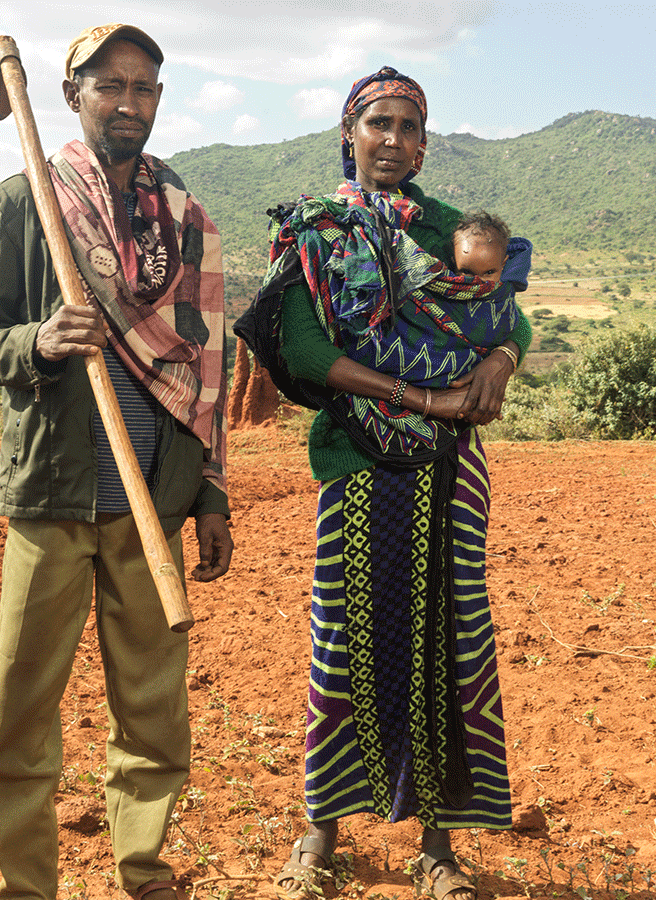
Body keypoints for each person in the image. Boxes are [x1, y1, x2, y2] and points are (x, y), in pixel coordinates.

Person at [235, 67, 531, 900]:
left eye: (408, 126)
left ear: (425, 144)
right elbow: (300, 350)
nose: (393, 139)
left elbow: (512, 311)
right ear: (349, 134)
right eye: (379, 123)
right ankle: (319, 832)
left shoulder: (452, 230)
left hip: (449, 470)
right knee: (345, 639)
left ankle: (439, 848)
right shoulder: (319, 231)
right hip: (358, 460)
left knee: (450, 635)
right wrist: (423, 395)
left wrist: (501, 362)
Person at [0, 23, 233, 900]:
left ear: (158, 100)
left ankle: (146, 872)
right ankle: (25, 886)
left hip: (151, 499)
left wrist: (212, 494)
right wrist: (39, 341)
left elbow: (203, 363)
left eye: (144, 88)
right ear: (72, 94)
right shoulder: (26, 201)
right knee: (20, 712)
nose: (128, 102)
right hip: (52, 491)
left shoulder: (186, 220)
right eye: (109, 86)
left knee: (154, 711)